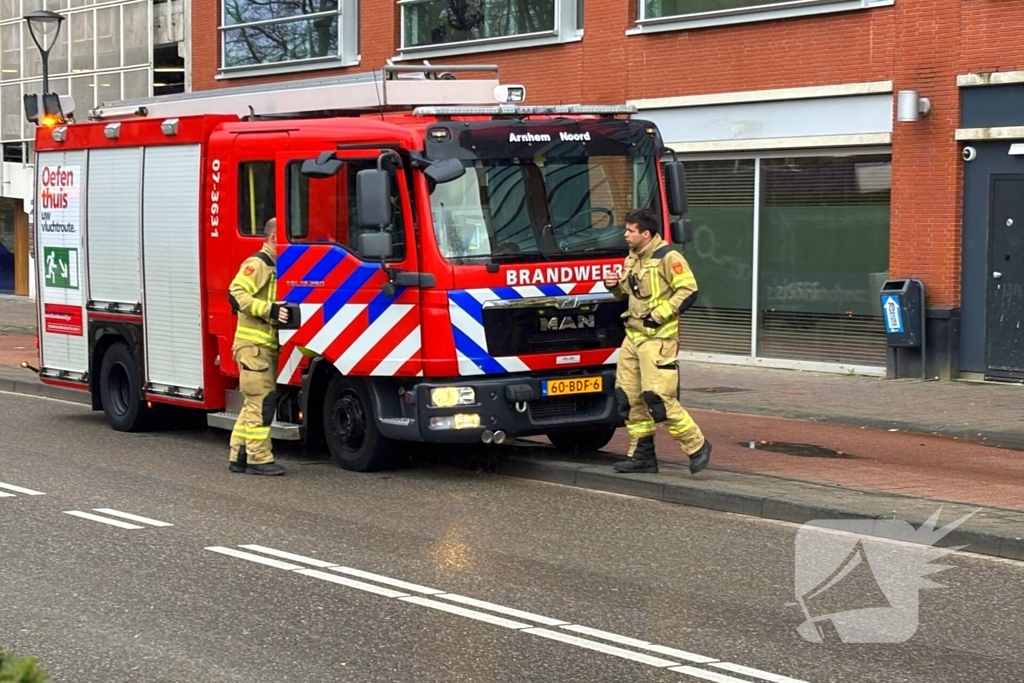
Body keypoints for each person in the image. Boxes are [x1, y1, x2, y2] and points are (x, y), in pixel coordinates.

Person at [603, 207, 711, 475]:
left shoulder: (668, 257)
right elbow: (628, 293)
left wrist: (660, 314)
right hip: (633, 336)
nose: (625, 234)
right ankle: (642, 457)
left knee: (658, 398)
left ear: (646, 233)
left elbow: (689, 290)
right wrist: (614, 285)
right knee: (627, 398)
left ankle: (697, 446)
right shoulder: (633, 257)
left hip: (658, 339)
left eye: (630, 230)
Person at [227, 217, 290, 476]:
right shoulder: (259, 264)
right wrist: (269, 309)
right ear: (274, 238)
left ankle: (239, 454)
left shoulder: (273, 265)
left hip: (260, 348)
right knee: (261, 404)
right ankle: (258, 458)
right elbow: (235, 292)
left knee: (252, 403)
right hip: (254, 348)